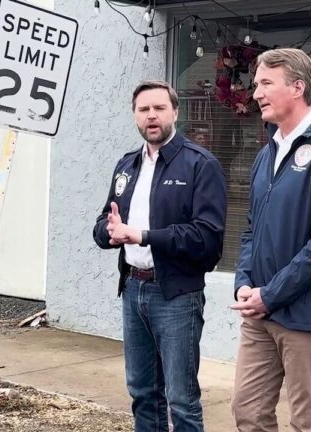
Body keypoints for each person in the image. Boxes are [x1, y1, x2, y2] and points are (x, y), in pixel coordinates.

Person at [230, 48, 311, 431]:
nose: (256, 92)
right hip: (259, 313)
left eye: (266, 83)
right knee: (248, 413)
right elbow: (252, 227)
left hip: (306, 315)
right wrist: (244, 281)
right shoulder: (266, 153)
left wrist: (271, 293)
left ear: (298, 87)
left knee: (307, 421)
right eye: (256, 83)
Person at [93, 80, 227, 432]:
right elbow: (103, 223)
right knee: (142, 392)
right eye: (143, 109)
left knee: (182, 400)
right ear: (135, 115)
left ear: (175, 113)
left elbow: (208, 239)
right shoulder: (127, 166)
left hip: (177, 296)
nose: (151, 116)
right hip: (133, 290)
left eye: (159, 108)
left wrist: (142, 236)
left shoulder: (200, 164)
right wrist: (109, 232)